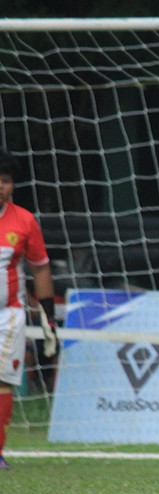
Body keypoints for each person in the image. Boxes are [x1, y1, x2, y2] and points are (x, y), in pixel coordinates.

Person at [0, 149, 58, 470]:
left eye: (5, 181)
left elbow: (40, 268)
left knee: (2, 381)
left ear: (12, 186)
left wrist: (48, 317)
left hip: (7, 315)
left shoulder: (23, 221)